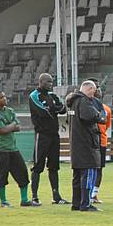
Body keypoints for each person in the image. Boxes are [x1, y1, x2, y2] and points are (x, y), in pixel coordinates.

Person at [0, 90, 39, 207]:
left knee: (22, 172)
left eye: (5, 96)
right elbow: (2, 131)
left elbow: (18, 127)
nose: (5, 99)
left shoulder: (10, 111)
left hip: (13, 148)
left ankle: (24, 200)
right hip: (1, 149)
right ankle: (3, 201)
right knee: (2, 174)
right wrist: (10, 126)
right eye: (1, 97)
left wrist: (8, 126)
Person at [66, 81, 107, 211]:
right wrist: (100, 116)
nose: (94, 94)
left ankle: (76, 203)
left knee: (77, 176)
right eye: (93, 91)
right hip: (87, 145)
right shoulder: (84, 101)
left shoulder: (73, 102)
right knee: (89, 174)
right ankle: (86, 203)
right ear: (89, 89)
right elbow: (90, 116)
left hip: (76, 145)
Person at [28, 73, 68, 205]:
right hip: (42, 135)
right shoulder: (34, 96)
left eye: (51, 82)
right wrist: (53, 109)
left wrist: (53, 109)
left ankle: (56, 196)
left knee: (54, 166)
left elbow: (63, 109)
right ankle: (34, 196)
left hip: (54, 135)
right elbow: (43, 112)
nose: (51, 84)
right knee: (38, 166)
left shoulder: (52, 95)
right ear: (41, 82)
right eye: (48, 82)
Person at [89, 80, 111, 204]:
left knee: (99, 168)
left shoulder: (106, 109)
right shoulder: (86, 108)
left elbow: (106, 125)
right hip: (92, 141)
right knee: (92, 168)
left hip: (101, 141)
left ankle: (94, 194)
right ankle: (90, 193)